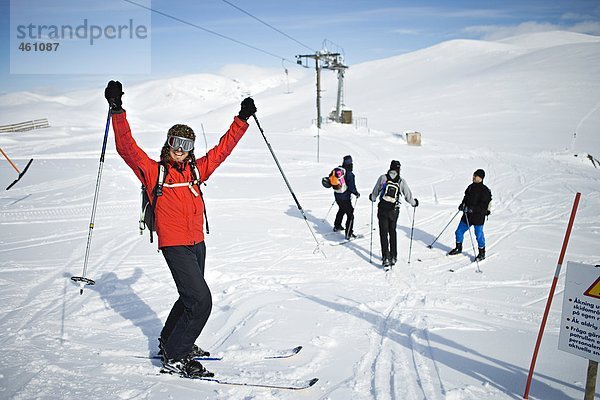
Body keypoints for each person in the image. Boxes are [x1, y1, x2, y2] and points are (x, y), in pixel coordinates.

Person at [104, 80, 256, 378]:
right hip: (173, 242)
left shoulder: (198, 169)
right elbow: (127, 149)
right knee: (201, 300)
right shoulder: (153, 171)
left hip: (197, 241)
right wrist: (116, 109)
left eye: (185, 145)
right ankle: (176, 355)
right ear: (168, 144)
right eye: (175, 143)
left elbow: (222, 150)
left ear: (191, 149)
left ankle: (169, 341)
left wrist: (241, 120)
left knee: (189, 296)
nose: (179, 150)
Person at [369, 160, 418, 268]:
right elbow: (408, 195)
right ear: (399, 169)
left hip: (382, 209)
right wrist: (414, 203)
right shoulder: (401, 181)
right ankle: (393, 256)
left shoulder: (383, 178)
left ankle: (385, 257)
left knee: (383, 233)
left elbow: (375, 192)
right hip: (394, 211)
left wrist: (372, 198)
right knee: (392, 232)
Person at [447, 169, 492, 261]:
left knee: (478, 234)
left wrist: (472, 209)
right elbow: (466, 197)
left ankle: (481, 253)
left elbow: (483, 206)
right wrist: (462, 204)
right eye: (473, 175)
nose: (474, 177)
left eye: (476, 176)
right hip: (467, 215)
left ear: (481, 178)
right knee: (459, 231)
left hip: (478, 217)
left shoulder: (485, 191)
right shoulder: (470, 187)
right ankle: (458, 248)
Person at [333, 155, 360, 240]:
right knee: (350, 214)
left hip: (337, 195)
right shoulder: (349, 174)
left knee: (342, 209)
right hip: (345, 197)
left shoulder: (338, 170)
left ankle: (337, 225)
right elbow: (352, 188)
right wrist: (356, 193)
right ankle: (349, 233)